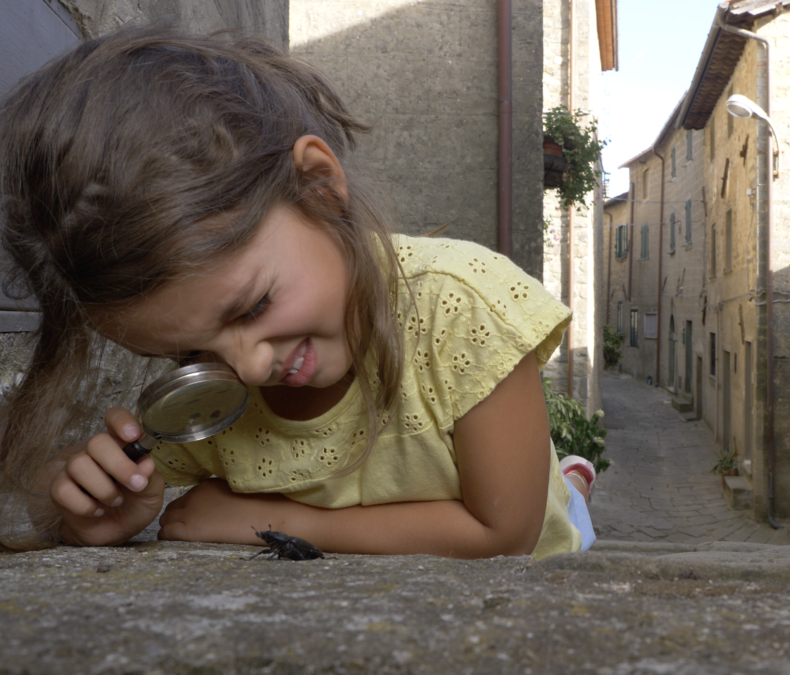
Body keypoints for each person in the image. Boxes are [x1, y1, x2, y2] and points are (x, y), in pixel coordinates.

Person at [0, 25, 597, 558]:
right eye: (189, 357)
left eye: (253, 307)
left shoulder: (463, 307)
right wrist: (94, 508)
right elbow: (80, 493)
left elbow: (505, 535)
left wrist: (273, 521)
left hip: (548, 543)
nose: (250, 367)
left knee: (557, 508)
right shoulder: (222, 393)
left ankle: (567, 484)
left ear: (318, 186)